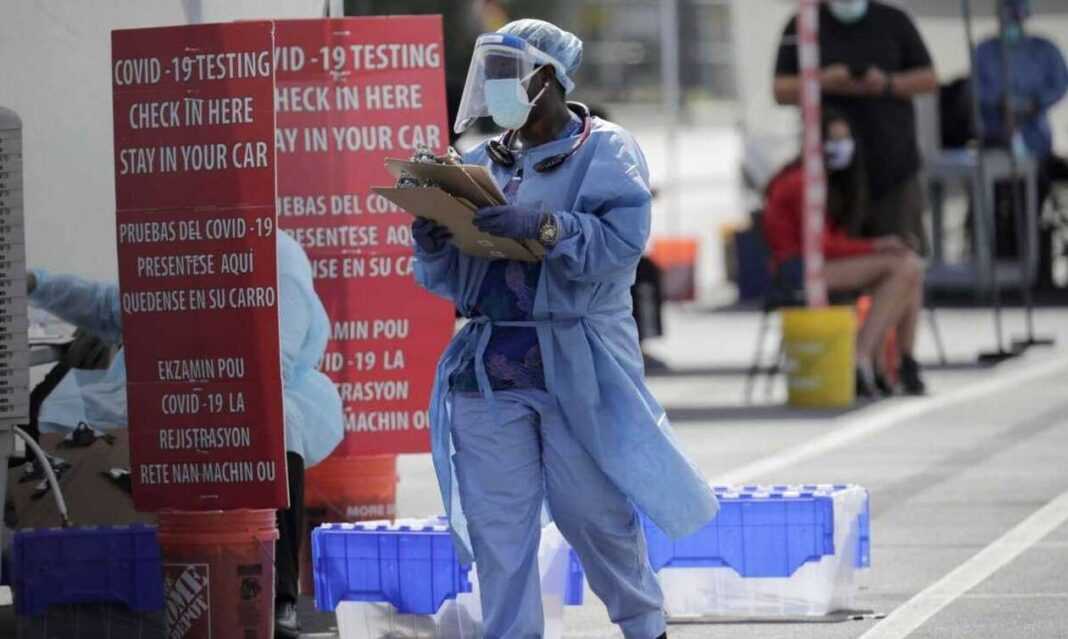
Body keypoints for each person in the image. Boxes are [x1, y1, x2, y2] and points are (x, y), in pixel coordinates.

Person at [412, 19, 718, 639]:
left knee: (593, 513)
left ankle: (645, 626)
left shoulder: (607, 150)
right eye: (491, 75)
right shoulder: (480, 162)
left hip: (576, 362)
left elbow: (620, 246)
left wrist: (547, 228)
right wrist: (435, 240)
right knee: (498, 529)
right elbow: (450, 281)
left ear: (546, 76)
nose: (498, 88)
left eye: (509, 74)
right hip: (489, 369)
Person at [26, 230, 342, 639]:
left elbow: (271, 366)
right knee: (49, 406)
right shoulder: (177, 242)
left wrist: (214, 398)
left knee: (276, 423)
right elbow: (114, 308)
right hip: (165, 392)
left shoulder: (275, 254)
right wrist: (37, 285)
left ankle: (276, 599)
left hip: (249, 401)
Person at [763, 109, 927, 397]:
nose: (841, 148)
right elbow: (821, 245)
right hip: (797, 268)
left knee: (909, 268)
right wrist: (875, 246)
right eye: (833, 140)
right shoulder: (801, 182)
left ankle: (897, 361)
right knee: (903, 267)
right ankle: (861, 356)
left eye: (845, 140)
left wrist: (879, 246)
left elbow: (829, 240)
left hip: (814, 263)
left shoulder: (826, 181)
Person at [773, 0, 938, 254]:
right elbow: (780, 90)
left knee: (903, 257)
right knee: (839, 256)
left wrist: (886, 84)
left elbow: (929, 79)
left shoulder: (894, 21)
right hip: (831, 178)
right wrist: (823, 81)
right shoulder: (803, 24)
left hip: (892, 169)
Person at [976, 0, 1068, 286]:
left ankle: (1035, 269)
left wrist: (1032, 104)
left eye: (1016, 15)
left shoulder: (1043, 49)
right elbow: (975, 89)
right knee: (996, 204)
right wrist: (999, 105)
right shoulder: (986, 50)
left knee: (1034, 202)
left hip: (1036, 141)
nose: (1011, 21)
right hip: (995, 139)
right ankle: (998, 266)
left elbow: (1059, 84)